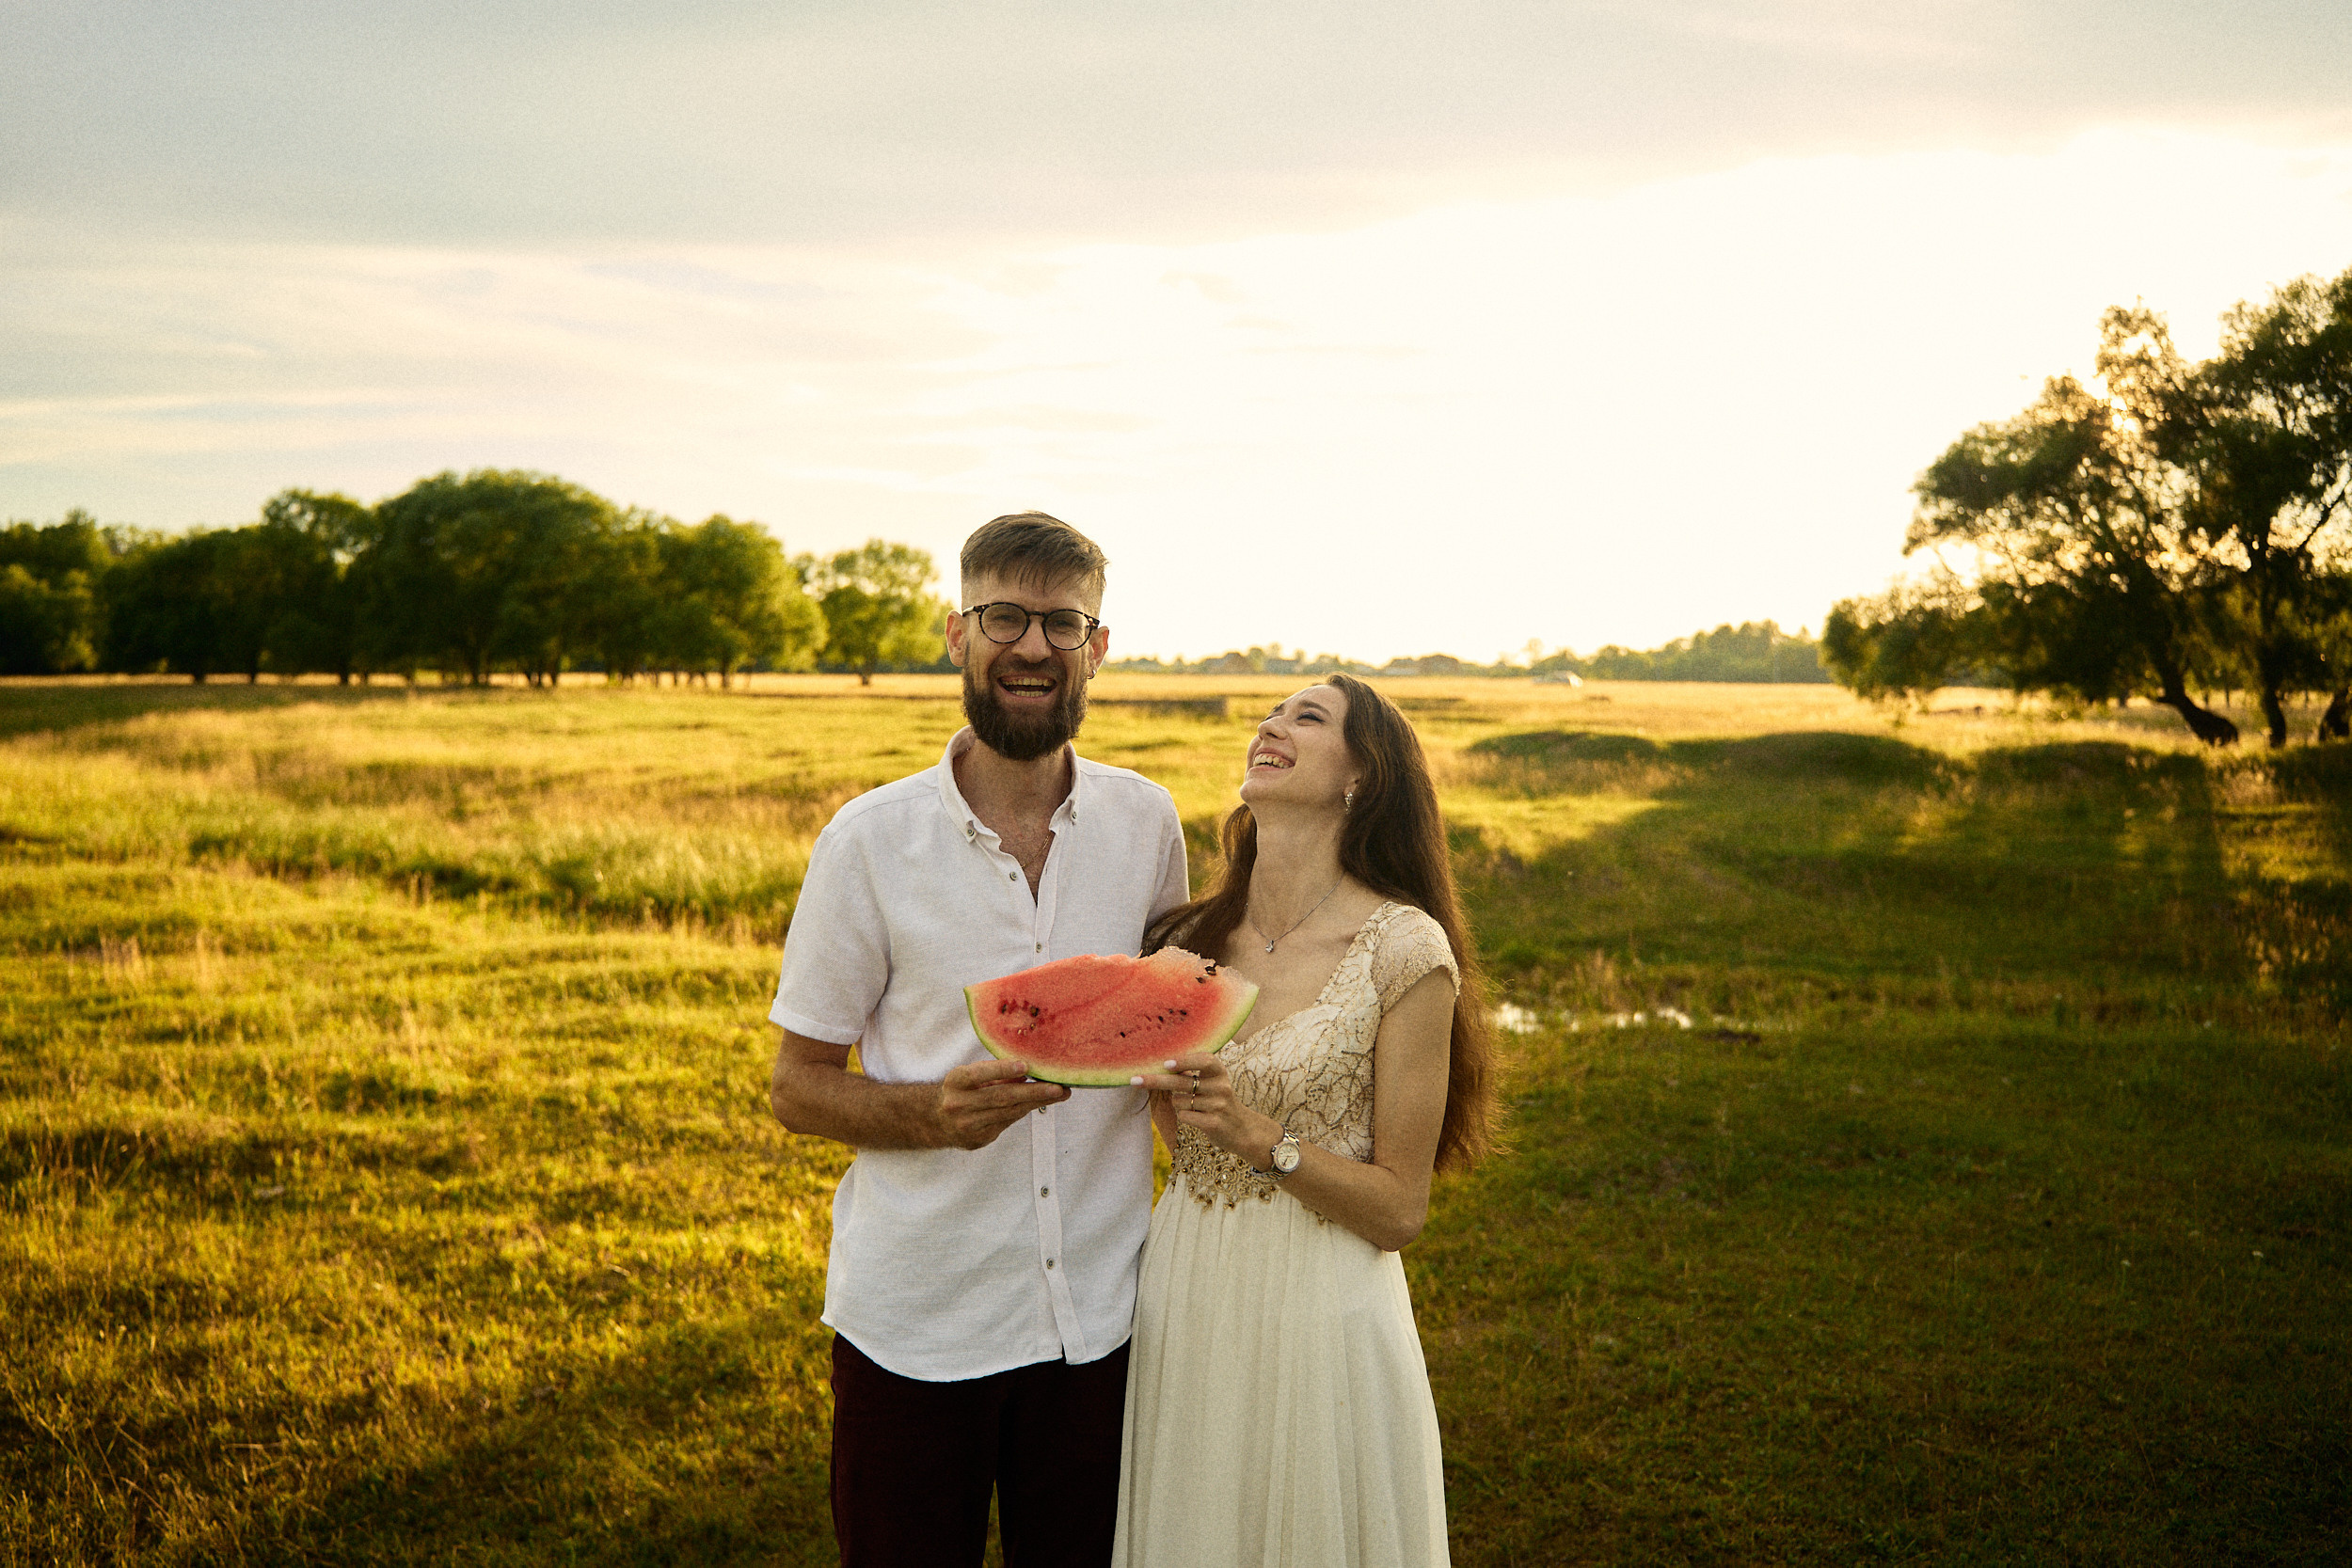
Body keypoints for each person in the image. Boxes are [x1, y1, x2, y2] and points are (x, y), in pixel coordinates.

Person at [767, 513, 1189, 1568]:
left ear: (1098, 646)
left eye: (1062, 622)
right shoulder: (868, 842)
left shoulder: (1147, 823)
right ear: (957, 634)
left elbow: (1163, 1019)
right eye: (1005, 616)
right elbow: (796, 1086)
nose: (1033, 645)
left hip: (1100, 1324)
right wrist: (929, 1113)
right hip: (916, 1328)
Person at [1112, 673, 1498, 1568]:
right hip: (1187, 1286)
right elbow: (1185, 1140)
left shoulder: (1403, 947)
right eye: (1271, 713)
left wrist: (1258, 1138)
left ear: (1362, 775)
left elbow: (1400, 1209)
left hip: (1322, 1302)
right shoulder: (1186, 944)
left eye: (1307, 716)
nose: (1271, 724)